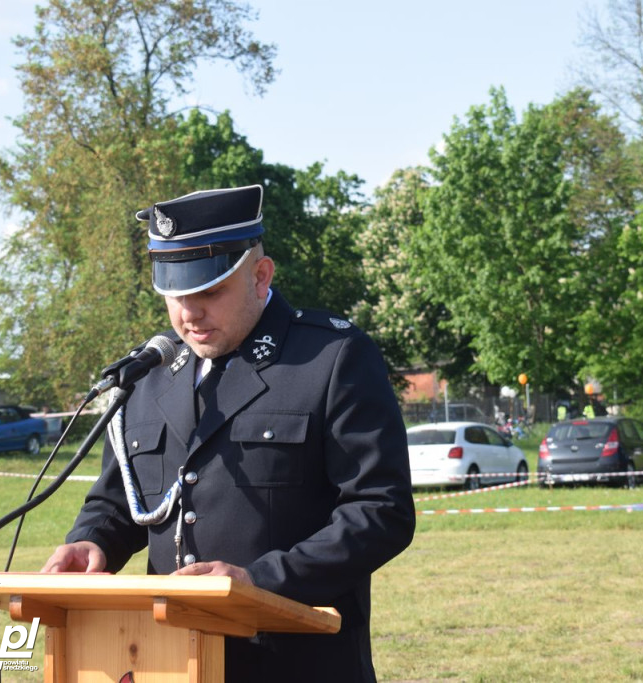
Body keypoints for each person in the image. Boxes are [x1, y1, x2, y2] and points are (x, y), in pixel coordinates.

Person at [41, 184, 416, 682]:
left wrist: (257, 583)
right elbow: (120, 502)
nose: (188, 313)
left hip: (295, 663)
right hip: (167, 661)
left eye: (210, 291)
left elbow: (381, 511)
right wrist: (93, 543)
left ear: (261, 277)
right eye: (175, 294)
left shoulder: (330, 359)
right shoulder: (149, 373)